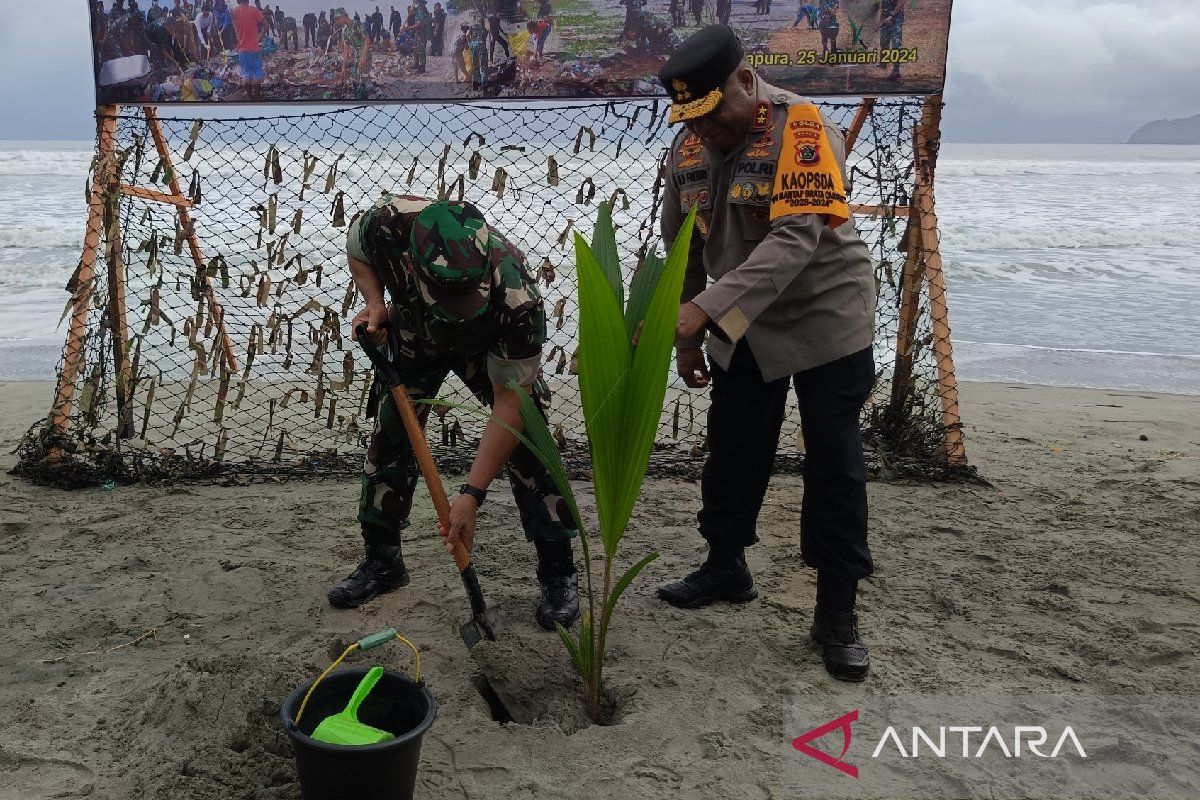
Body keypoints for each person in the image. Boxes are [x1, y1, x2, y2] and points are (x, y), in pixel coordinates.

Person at [656, 26, 877, 682]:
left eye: (713, 112)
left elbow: (793, 241)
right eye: (690, 118)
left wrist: (703, 310)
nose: (706, 131)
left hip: (824, 320)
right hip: (739, 323)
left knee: (834, 460)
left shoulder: (804, 130)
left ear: (745, 84)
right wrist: (688, 334)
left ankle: (837, 611)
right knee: (734, 446)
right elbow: (684, 248)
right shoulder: (688, 146)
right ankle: (726, 566)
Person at [328, 196, 581, 631]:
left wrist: (472, 495)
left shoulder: (517, 298)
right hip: (414, 331)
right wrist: (375, 302)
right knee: (391, 437)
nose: (458, 302)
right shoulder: (389, 223)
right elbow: (357, 248)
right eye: (448, 294)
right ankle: (383, 561)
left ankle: (558, 573)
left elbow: (510, 404)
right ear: (413, 263)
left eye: (468, 294)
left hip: (486, 347)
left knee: (530, 444)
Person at [231, 0, 266, 99]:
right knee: (258, 72)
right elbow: (266, 25)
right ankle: (258, 94)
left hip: (242, 48)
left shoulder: (234, 11)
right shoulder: (254, 10)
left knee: (246, 72)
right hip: (255, 47)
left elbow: (235, 29)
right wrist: (260, 35)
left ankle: (250, 95)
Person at [877, 0, 904, 80]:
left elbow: (901, 3)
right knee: (883, 42)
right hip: (885, 20)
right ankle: (883, 63)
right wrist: (878, 21)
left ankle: (896, 71)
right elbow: (881, 7)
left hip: (896, 20)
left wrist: (891, 16)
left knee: (896, 44)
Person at [406, 0, 432, 71]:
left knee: (421, 49)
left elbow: (419, 24)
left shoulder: (423, 12)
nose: (419, 4)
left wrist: (409, 28)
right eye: (418, 3)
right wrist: (412, 5)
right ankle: (416, 63)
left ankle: (422, 66)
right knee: (415, 48)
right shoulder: (418, 9)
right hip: (417, 32)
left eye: (420, 3)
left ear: (423, 3)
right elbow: (410, 11)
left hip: (422, 33)